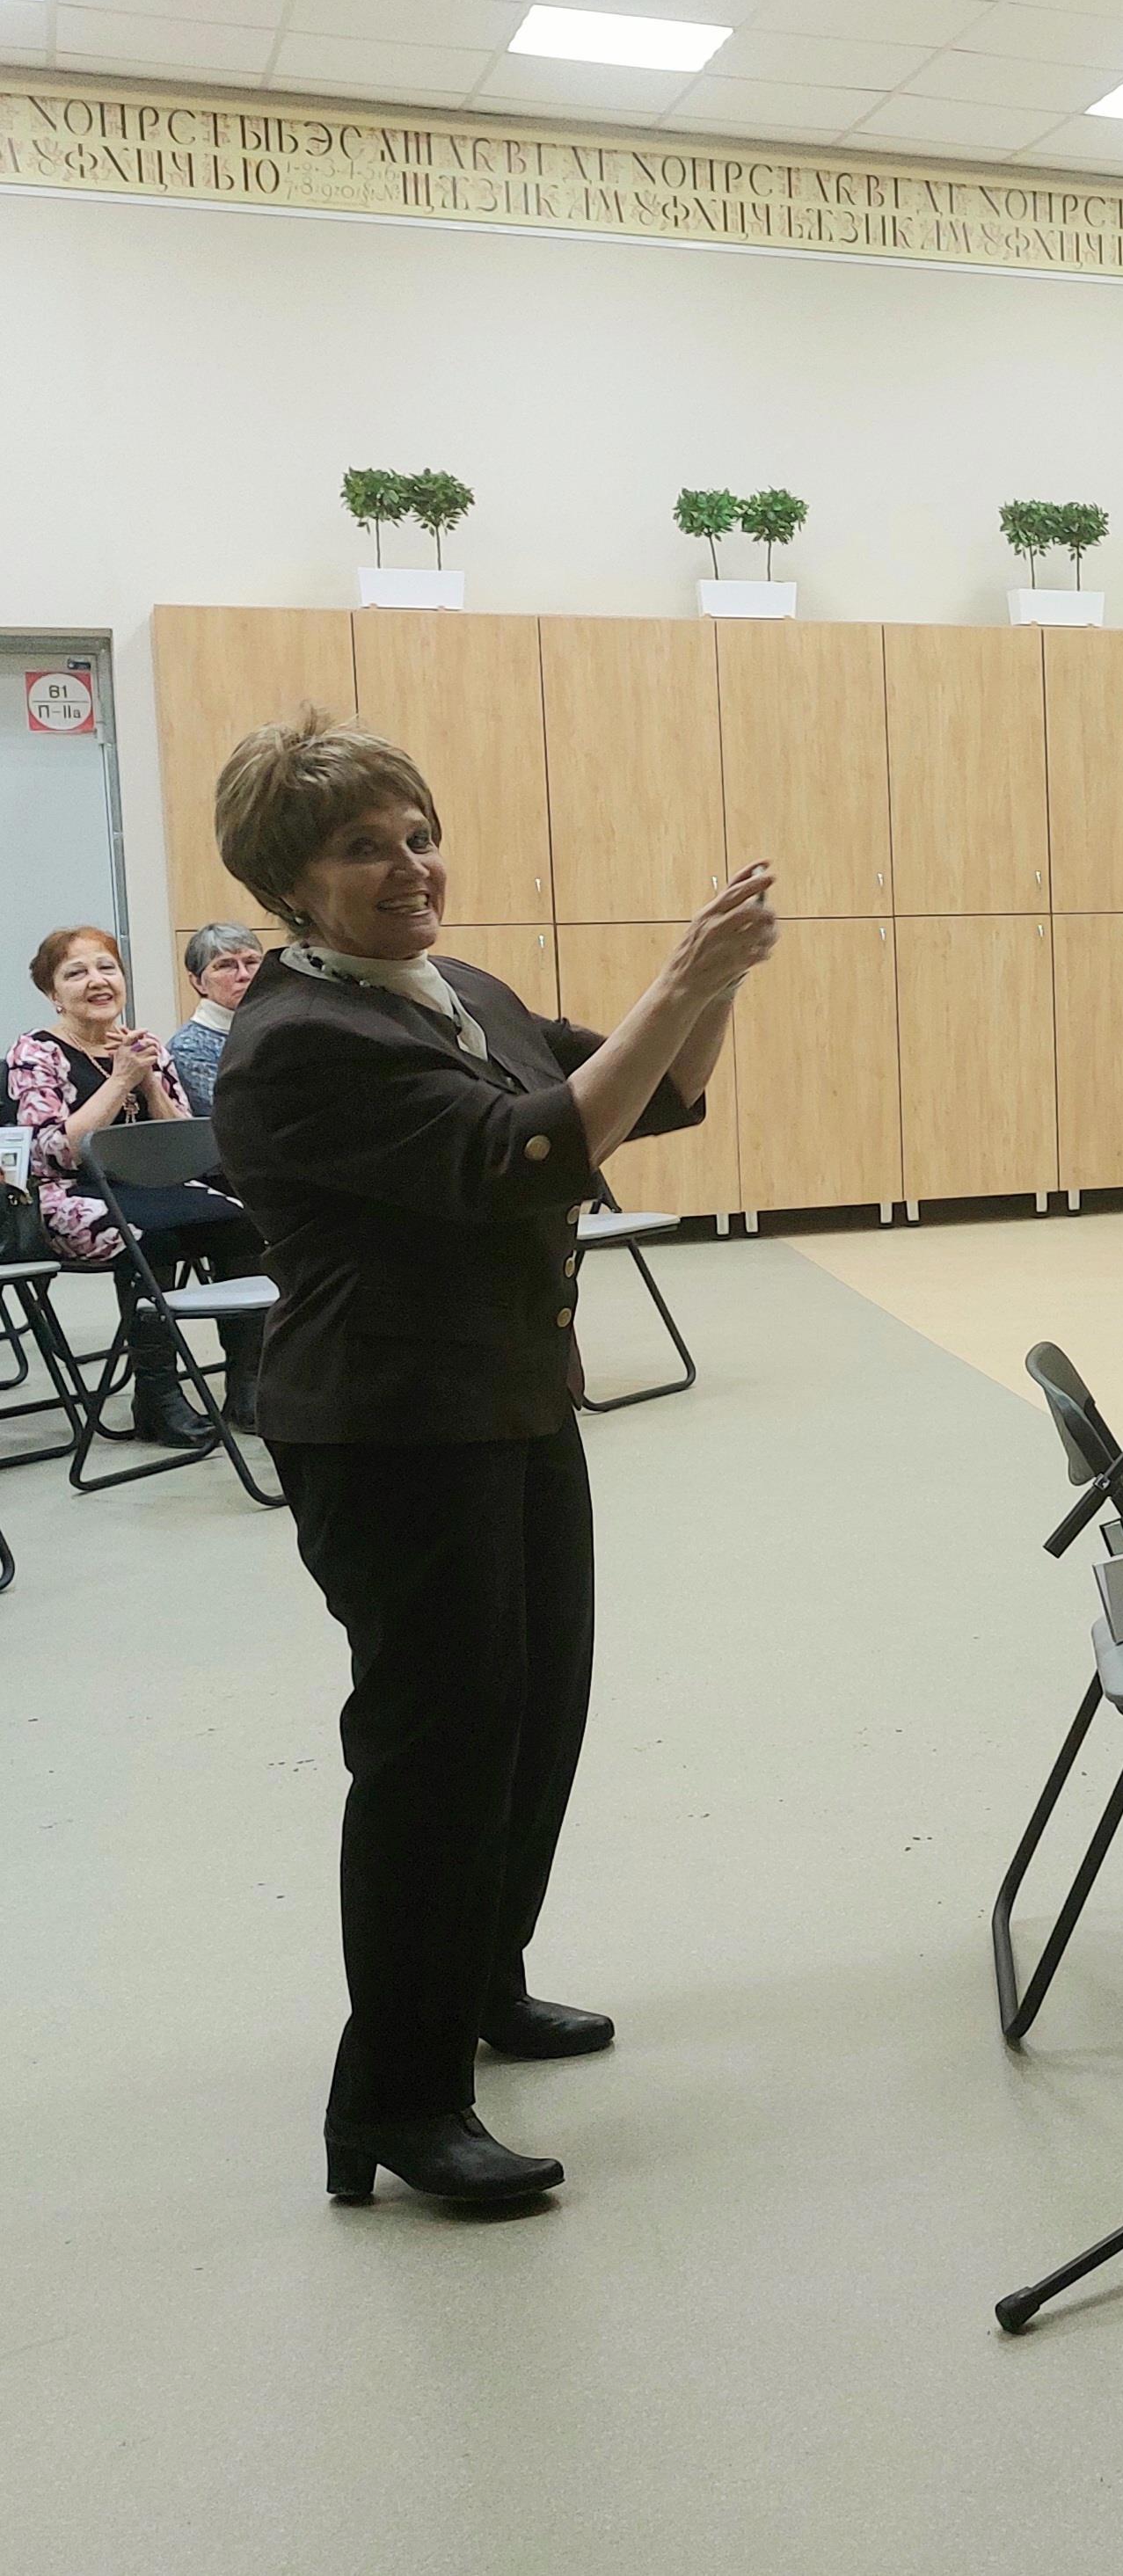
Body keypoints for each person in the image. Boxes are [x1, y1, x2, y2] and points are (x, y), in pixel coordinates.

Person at [210, 708, 780, 2207]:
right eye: (365, 847)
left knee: (531, 1717)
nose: (411, 865)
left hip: (512, 1397)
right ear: (289, 883)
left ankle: (481, 1977)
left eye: (419, 835)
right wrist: (680, 976)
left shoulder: (453, 988)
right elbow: (526, 1154)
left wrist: (711, 987)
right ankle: (394, 2104)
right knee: (435, 1752)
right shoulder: (300, 1039)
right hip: (392, 1430)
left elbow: (641, 1096)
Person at [7, 925, 264, 1443]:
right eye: (76, 973)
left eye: (107, 968)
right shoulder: (35, 1053)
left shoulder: (144, 1048)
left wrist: (148, 1081)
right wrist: (120, 1079)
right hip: (66, 1197)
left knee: (243, 1223)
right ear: (53, 993)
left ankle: (249, 1386)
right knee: (151, 1235)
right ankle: (156, 1395)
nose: (97, 981)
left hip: (154, 1188)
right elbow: (56, 1153)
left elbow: (187, 1150)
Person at [164, 922, 265, 1116]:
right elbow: (231, 1117)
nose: (244, 975)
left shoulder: (281, 1025)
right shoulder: (189, 1047)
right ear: (198, 982)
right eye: (226, 965)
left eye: (251, 962)